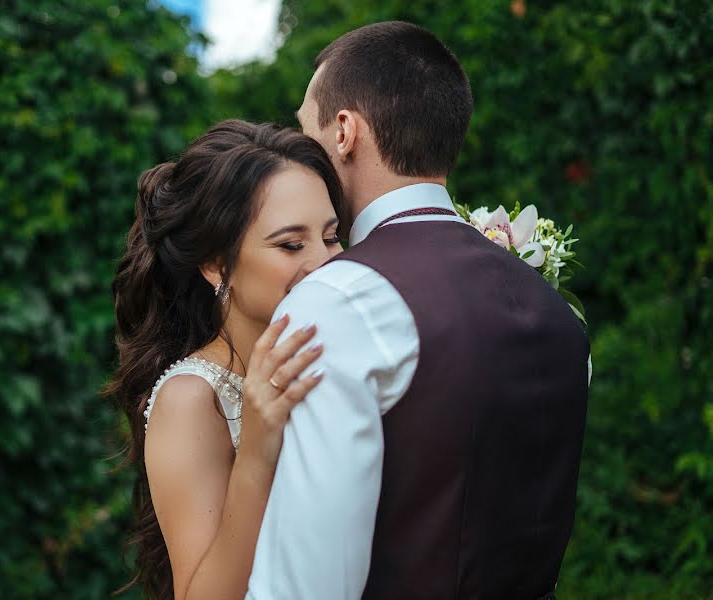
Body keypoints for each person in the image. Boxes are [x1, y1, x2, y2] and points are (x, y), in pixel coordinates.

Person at [245, 21, 590, 600]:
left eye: (307, 132)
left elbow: (306, 585)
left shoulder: (338, 299)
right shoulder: (560, 316)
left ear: (345, 132)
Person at [109, 119, 346, 600]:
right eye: (291, 244)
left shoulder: (337, 355)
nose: (325, 261)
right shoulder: (192, 399)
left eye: (332, 236)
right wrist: (256, 451)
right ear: (217, 263)